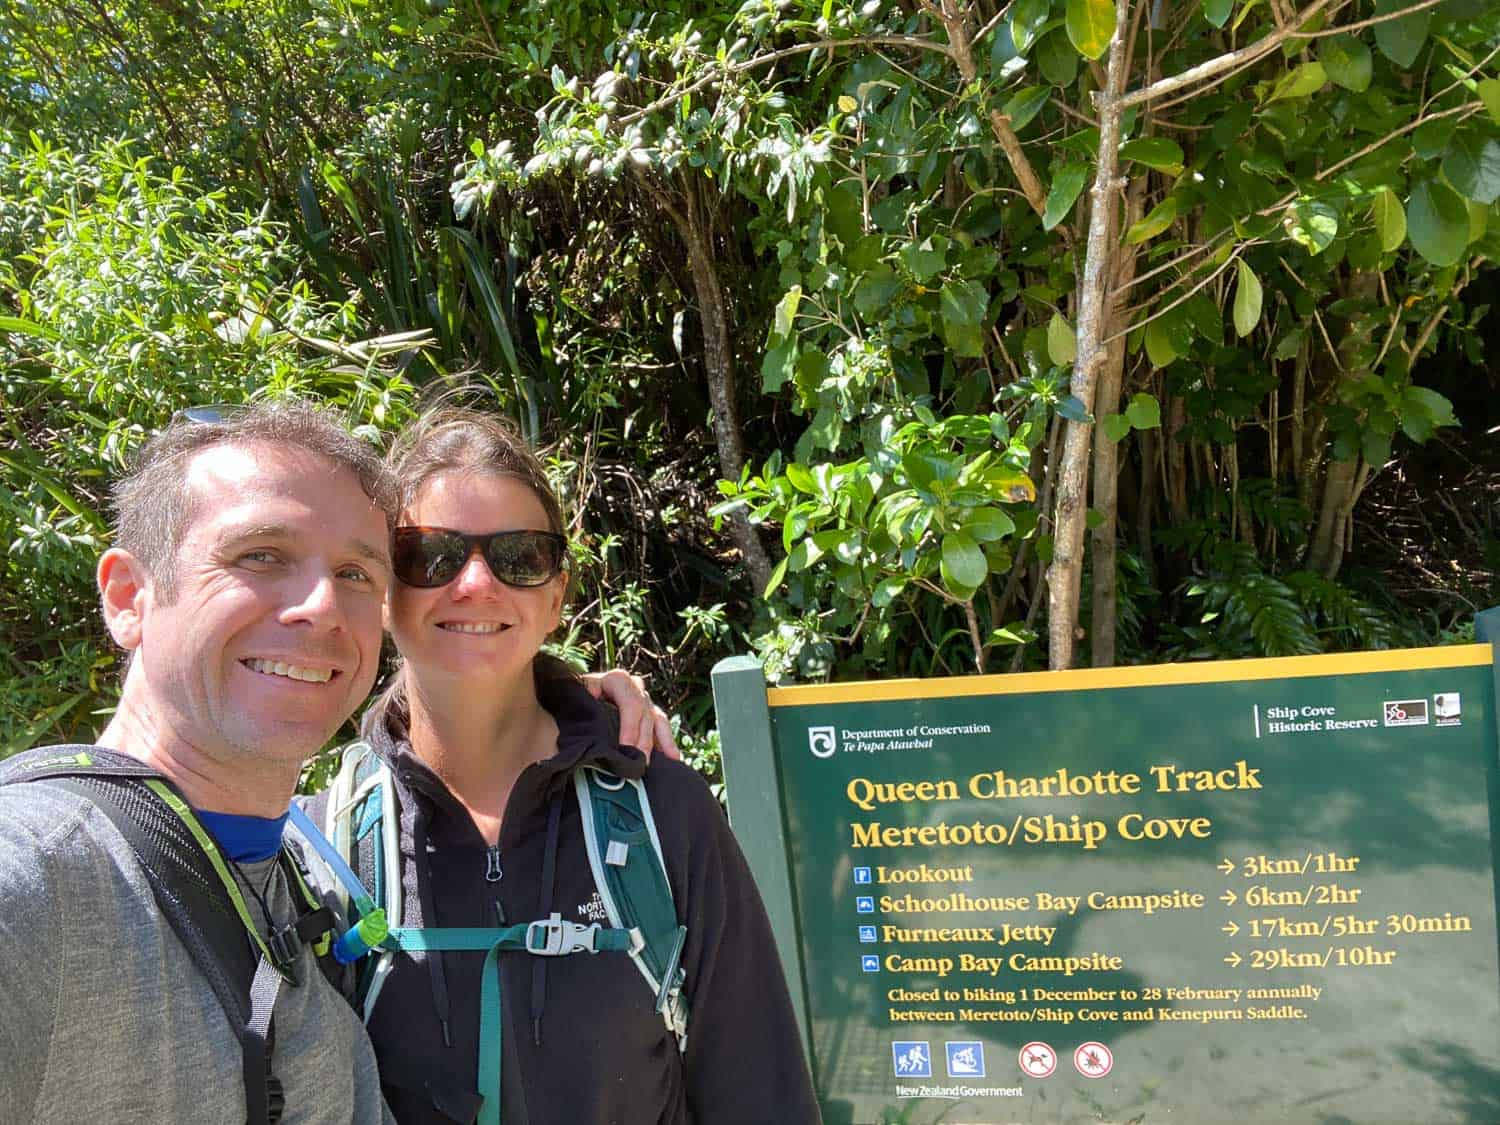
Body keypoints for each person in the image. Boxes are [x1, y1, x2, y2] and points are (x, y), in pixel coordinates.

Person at [0, 401, 668, 1125]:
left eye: (355, 572)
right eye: (260, 555)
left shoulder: (313, 889)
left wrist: (566, 701)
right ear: (130, 597)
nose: (321, 606)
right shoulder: (43, 880)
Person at [303, 408, 819, 1124]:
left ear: (557, 596)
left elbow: (762, 1094)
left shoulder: (660, 813)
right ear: (389, 590)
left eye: (519, 556)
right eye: (432, 555)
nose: (477, 583)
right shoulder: (330, 846)